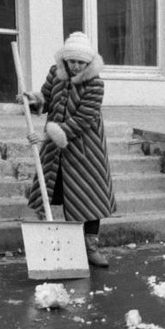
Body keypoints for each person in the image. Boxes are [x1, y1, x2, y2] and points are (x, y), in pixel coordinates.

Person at [25, 31, 116, 268]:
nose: (75, 66)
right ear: (65, 59)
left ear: (89, 62)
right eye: (72, 61)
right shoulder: (56, 73)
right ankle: (60, 244)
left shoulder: (95, 83)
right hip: (55, 149)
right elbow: (45, 98)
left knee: (89, 196)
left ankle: (90, 247)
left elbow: (85, 117)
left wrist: (56, 132)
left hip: (86, 148)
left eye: (81, 62)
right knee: (55, 190)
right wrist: (33, 101)